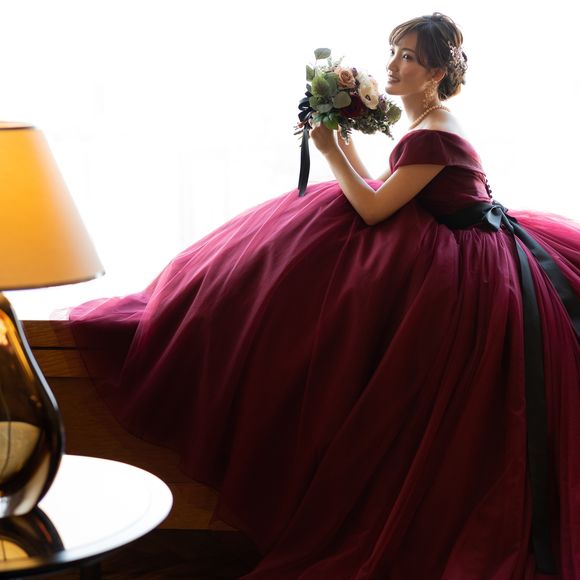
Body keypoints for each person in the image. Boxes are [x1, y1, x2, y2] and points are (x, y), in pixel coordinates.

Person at [69, 13, 580, 579]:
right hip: (459, 241)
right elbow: (383, 189)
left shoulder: (435, 132)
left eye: (408, 57)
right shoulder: (425, 123)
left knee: (322, 232)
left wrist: (329, 151)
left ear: (437, 73)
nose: (392, 65)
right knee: (316, 227)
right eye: (393, 51)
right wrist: (340, 142)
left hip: (475, 263)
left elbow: (374, 208)